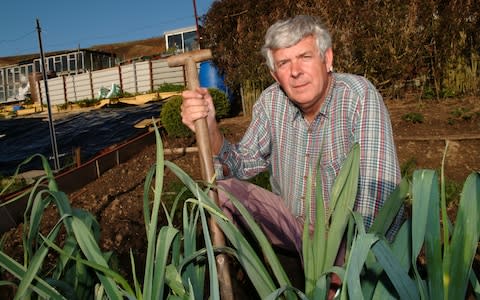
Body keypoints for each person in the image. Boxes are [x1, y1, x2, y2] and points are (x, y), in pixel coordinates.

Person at [181, 15, 402, 262]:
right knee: (221, 191)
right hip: (293, 226)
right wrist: (211, 128)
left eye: (305, 57)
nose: (295, 72)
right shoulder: (271, 102)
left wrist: (352, 268)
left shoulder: (358, 97)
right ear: (275, 75)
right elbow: (241, 165)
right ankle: (247, 269)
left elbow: (379, 193)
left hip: (345, 236)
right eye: (284, 63)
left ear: (327, 59)